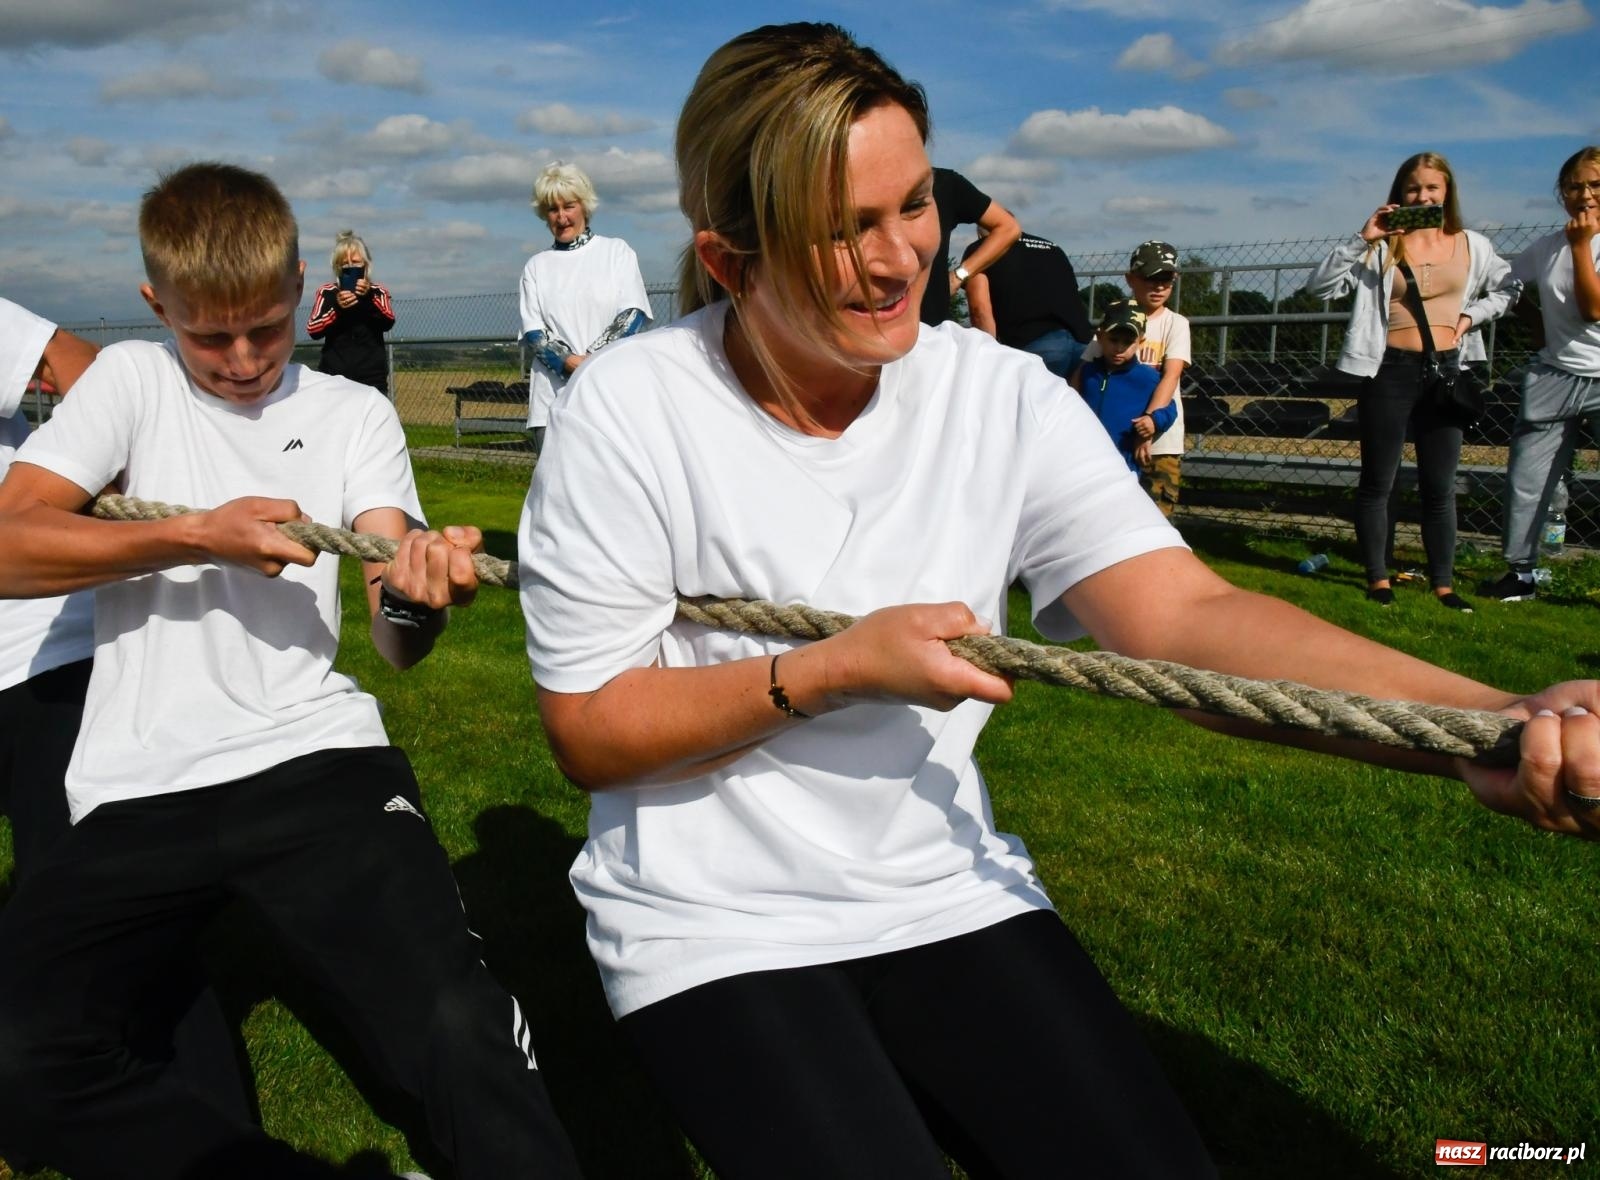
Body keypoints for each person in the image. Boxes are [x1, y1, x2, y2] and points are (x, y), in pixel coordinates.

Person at [519, 22, 1600, 1180]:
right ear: (732, 261)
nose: (902, 262)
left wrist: (1486, 719)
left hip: (945, 890)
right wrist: (830, 671)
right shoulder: (633, 408)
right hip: (708, 929)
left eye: (915, 205)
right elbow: (592, 727)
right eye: (844, 230)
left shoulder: (1000, 399)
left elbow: (1182, 621)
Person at [0, 163, 582, 1180]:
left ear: (301, 282)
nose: (238, 359)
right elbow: (10, 544)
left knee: (457, 1033)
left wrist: (416, 593)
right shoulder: (131, 381)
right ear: (156, 305)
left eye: (267, 328)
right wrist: (191, 536)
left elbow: (394, 637)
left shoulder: (353, 413)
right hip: (140, 789)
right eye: (207, 333)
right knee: (22, 1057)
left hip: (317, 762)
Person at [1306, 152, 1512, 611]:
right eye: (1414, 189)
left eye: (1432, 188)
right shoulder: (1381, 247)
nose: (1423, 196)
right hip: (1389, 370)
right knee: (1380, 480)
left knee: (1441, 484)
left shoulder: (1472, 244)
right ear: (1400, 194)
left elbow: (1507, 287)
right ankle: (1378, 577)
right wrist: (1363, 238)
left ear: (1447, 192)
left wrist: (1471, 316)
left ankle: (1443, 582)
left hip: (1446, 370)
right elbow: (1320, 287)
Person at [1469, 146, 1600, 602]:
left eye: (1595, 185)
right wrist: (1537, 327)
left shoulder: (1581, 245)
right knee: (1528, 479)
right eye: (1574, 185)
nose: (1584, 194)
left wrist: (1582, 246)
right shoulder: (1546, 248)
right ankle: (1521, 574)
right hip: (1553, 376)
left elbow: (1593, 309)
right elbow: (1508, 284)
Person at [518, 161, 652, 454]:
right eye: (553, 209)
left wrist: (592, 362)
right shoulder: (536, 267)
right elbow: (534, 333)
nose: (562, 217)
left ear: (584, 206)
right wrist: (569, 363)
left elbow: (632, 314)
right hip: (551, 404)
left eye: (569, 206)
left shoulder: (616, 252)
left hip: (608, 397)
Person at [1076, 241, 1192, 516]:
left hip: (1159, 442)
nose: (1160, 287)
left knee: (1155, 521)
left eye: (1167, 279)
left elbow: (1170, 376)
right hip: (1112, 442)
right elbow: (1081, 375)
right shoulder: (1116, 318)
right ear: (1131, 279)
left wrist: (1148, 427)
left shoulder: (1175, 324)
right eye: (1151, 279)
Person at [963, 228, 1094, 379]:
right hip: (1083, 344)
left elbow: (979, 309)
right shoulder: (1053, 247)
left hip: (1036, 342)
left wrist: (990, 353)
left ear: (980, 234)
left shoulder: (980, 249)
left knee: (1027, 401)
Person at [1070, 300, 1175, 471]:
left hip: (1124, 466)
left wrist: (1153, 421)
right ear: (1100, 336)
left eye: (1127, 342)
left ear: (1141, 341)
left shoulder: (1148, 378)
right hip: (1084, 460)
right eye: (1113, 340)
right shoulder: (1087, 373)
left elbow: (1171, 408)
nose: (1119, 348)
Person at [917, 166, 1020, 327]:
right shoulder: (1053, 250)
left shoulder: (944, 183)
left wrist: (959, 275)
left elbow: (1008, 227)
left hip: (930, 326)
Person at [305, 230, 395, 395]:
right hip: (333, 377)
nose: (350, 267)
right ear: (336, 268)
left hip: (372, 379)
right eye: (344, 264)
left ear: (366, 265)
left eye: (355, 263)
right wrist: (337, 309)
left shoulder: (378, 292)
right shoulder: (327, 292)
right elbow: (313, 329)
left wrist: (367, 299)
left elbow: (387, 321)